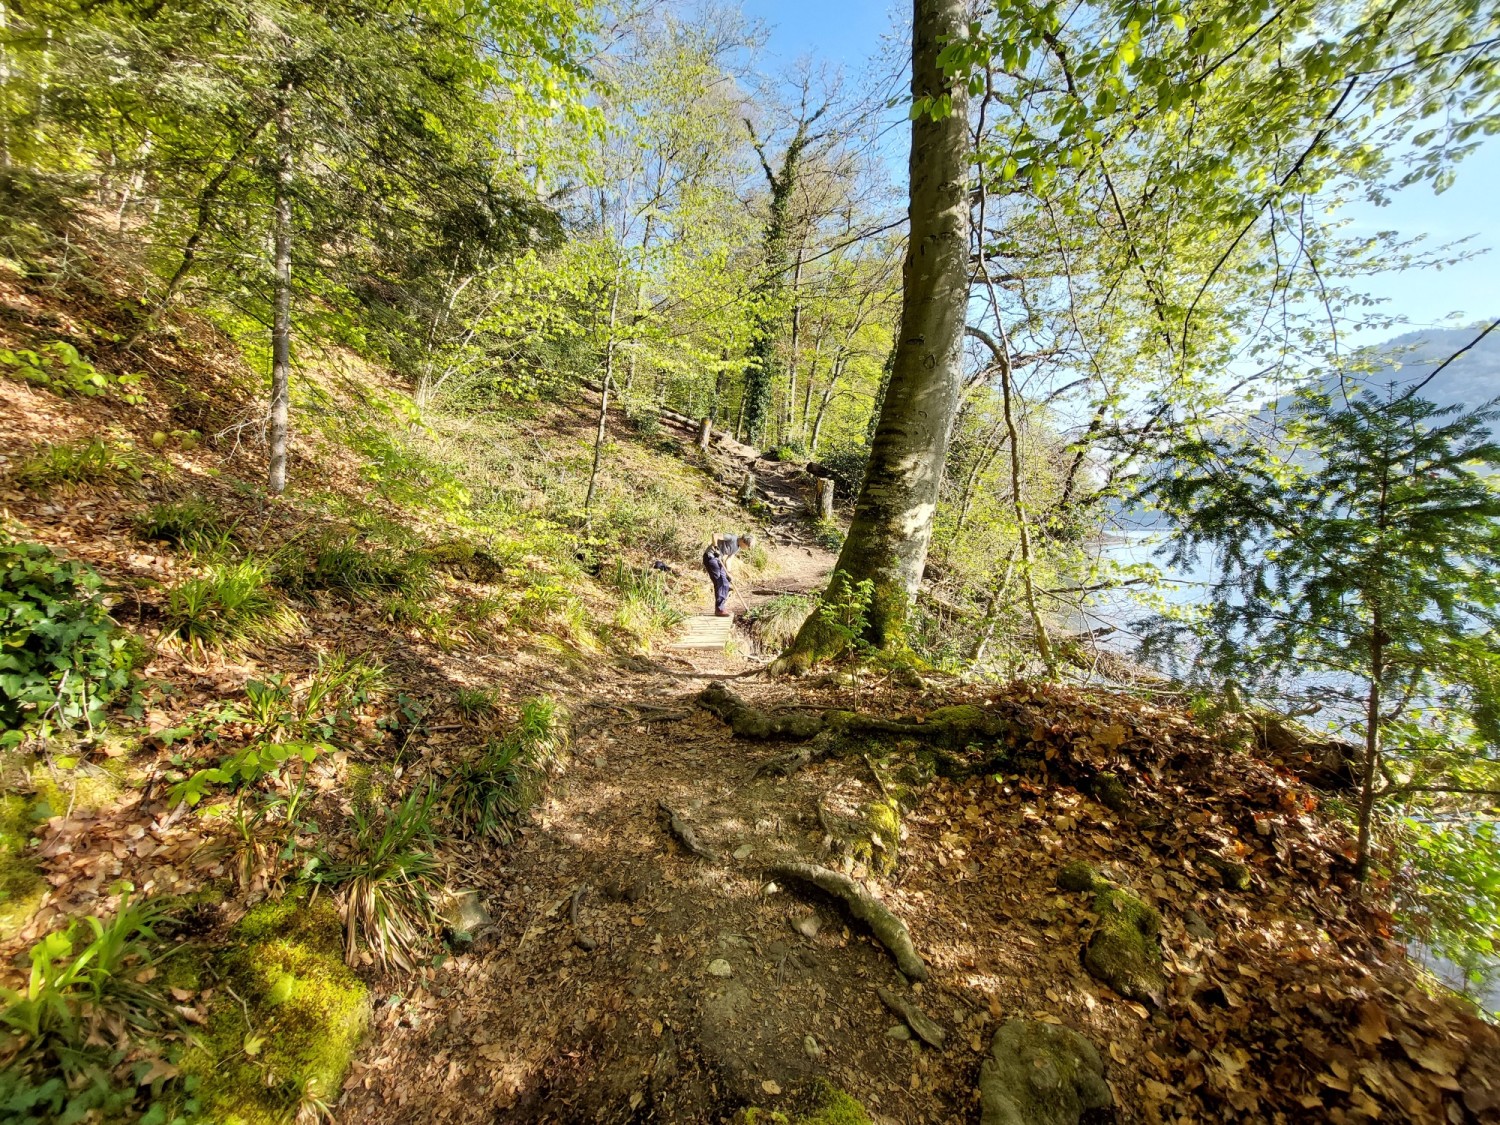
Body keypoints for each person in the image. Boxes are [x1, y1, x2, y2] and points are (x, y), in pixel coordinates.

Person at [702, 542, 732, 617]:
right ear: (744, 542)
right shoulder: (731, 538)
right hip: (710, 557)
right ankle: (719, 609)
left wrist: (728, 573)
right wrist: (715, 548)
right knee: (720, 582)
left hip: (718, 560)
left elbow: (728, 560)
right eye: (748, 546)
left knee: (725, 582)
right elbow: (715, 535)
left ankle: (721, 607)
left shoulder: (736, 548)